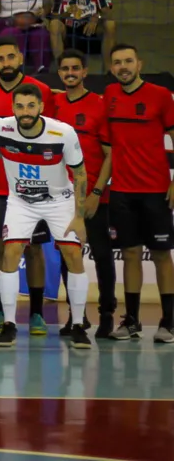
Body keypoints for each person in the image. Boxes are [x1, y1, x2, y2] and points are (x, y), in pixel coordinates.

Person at [0, 84, 91, 349]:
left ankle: (78, 325)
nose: (25, 111)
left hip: (59, 201)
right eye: (19, 106)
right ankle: (9, 324)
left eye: (31, 106)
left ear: (42, 107)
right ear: (12, 108)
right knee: (10, 253)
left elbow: (80, 173)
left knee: (73, 255)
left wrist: (79, 216)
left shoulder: (63, 132)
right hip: (21, 202)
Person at [0, 37, 54, 336]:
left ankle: (35, 313)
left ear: (20, 58)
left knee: (34, 249)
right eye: (0, 59)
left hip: (31, 185)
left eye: (11, 57)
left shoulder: (42, 90)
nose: (5, 63)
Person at [104, 44, 174, 343]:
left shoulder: (160, 96)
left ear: (139, 63)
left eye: (128, 61)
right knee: (130, 255)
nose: (123, 66)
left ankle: (168, 322)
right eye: (118, 62)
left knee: (161, 255)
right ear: (111, 67)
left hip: (156, 190)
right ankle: (131, 320)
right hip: (121, 191)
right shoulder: (109, 95)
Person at [50, 49, 115, 338]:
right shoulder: (53, 103)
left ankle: (107, 315)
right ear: (60, 73)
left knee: (101, 255)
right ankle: (78, 317)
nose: (70, 73)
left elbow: (110, 154)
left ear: (85, 71)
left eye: (75, 68)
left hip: (94, 196)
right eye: (65, 69)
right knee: (68, 256)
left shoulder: (100, 105)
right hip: (63, 197)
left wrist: (96, 192)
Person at [49, 0, 115, 70]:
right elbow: (54, 16)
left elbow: (108, 13)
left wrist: (96, 17)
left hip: (92, 32)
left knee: (110, 24)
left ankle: (109, 70)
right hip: (70, 33)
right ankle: (60, 68)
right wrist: (67, 13)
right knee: (54, 24)